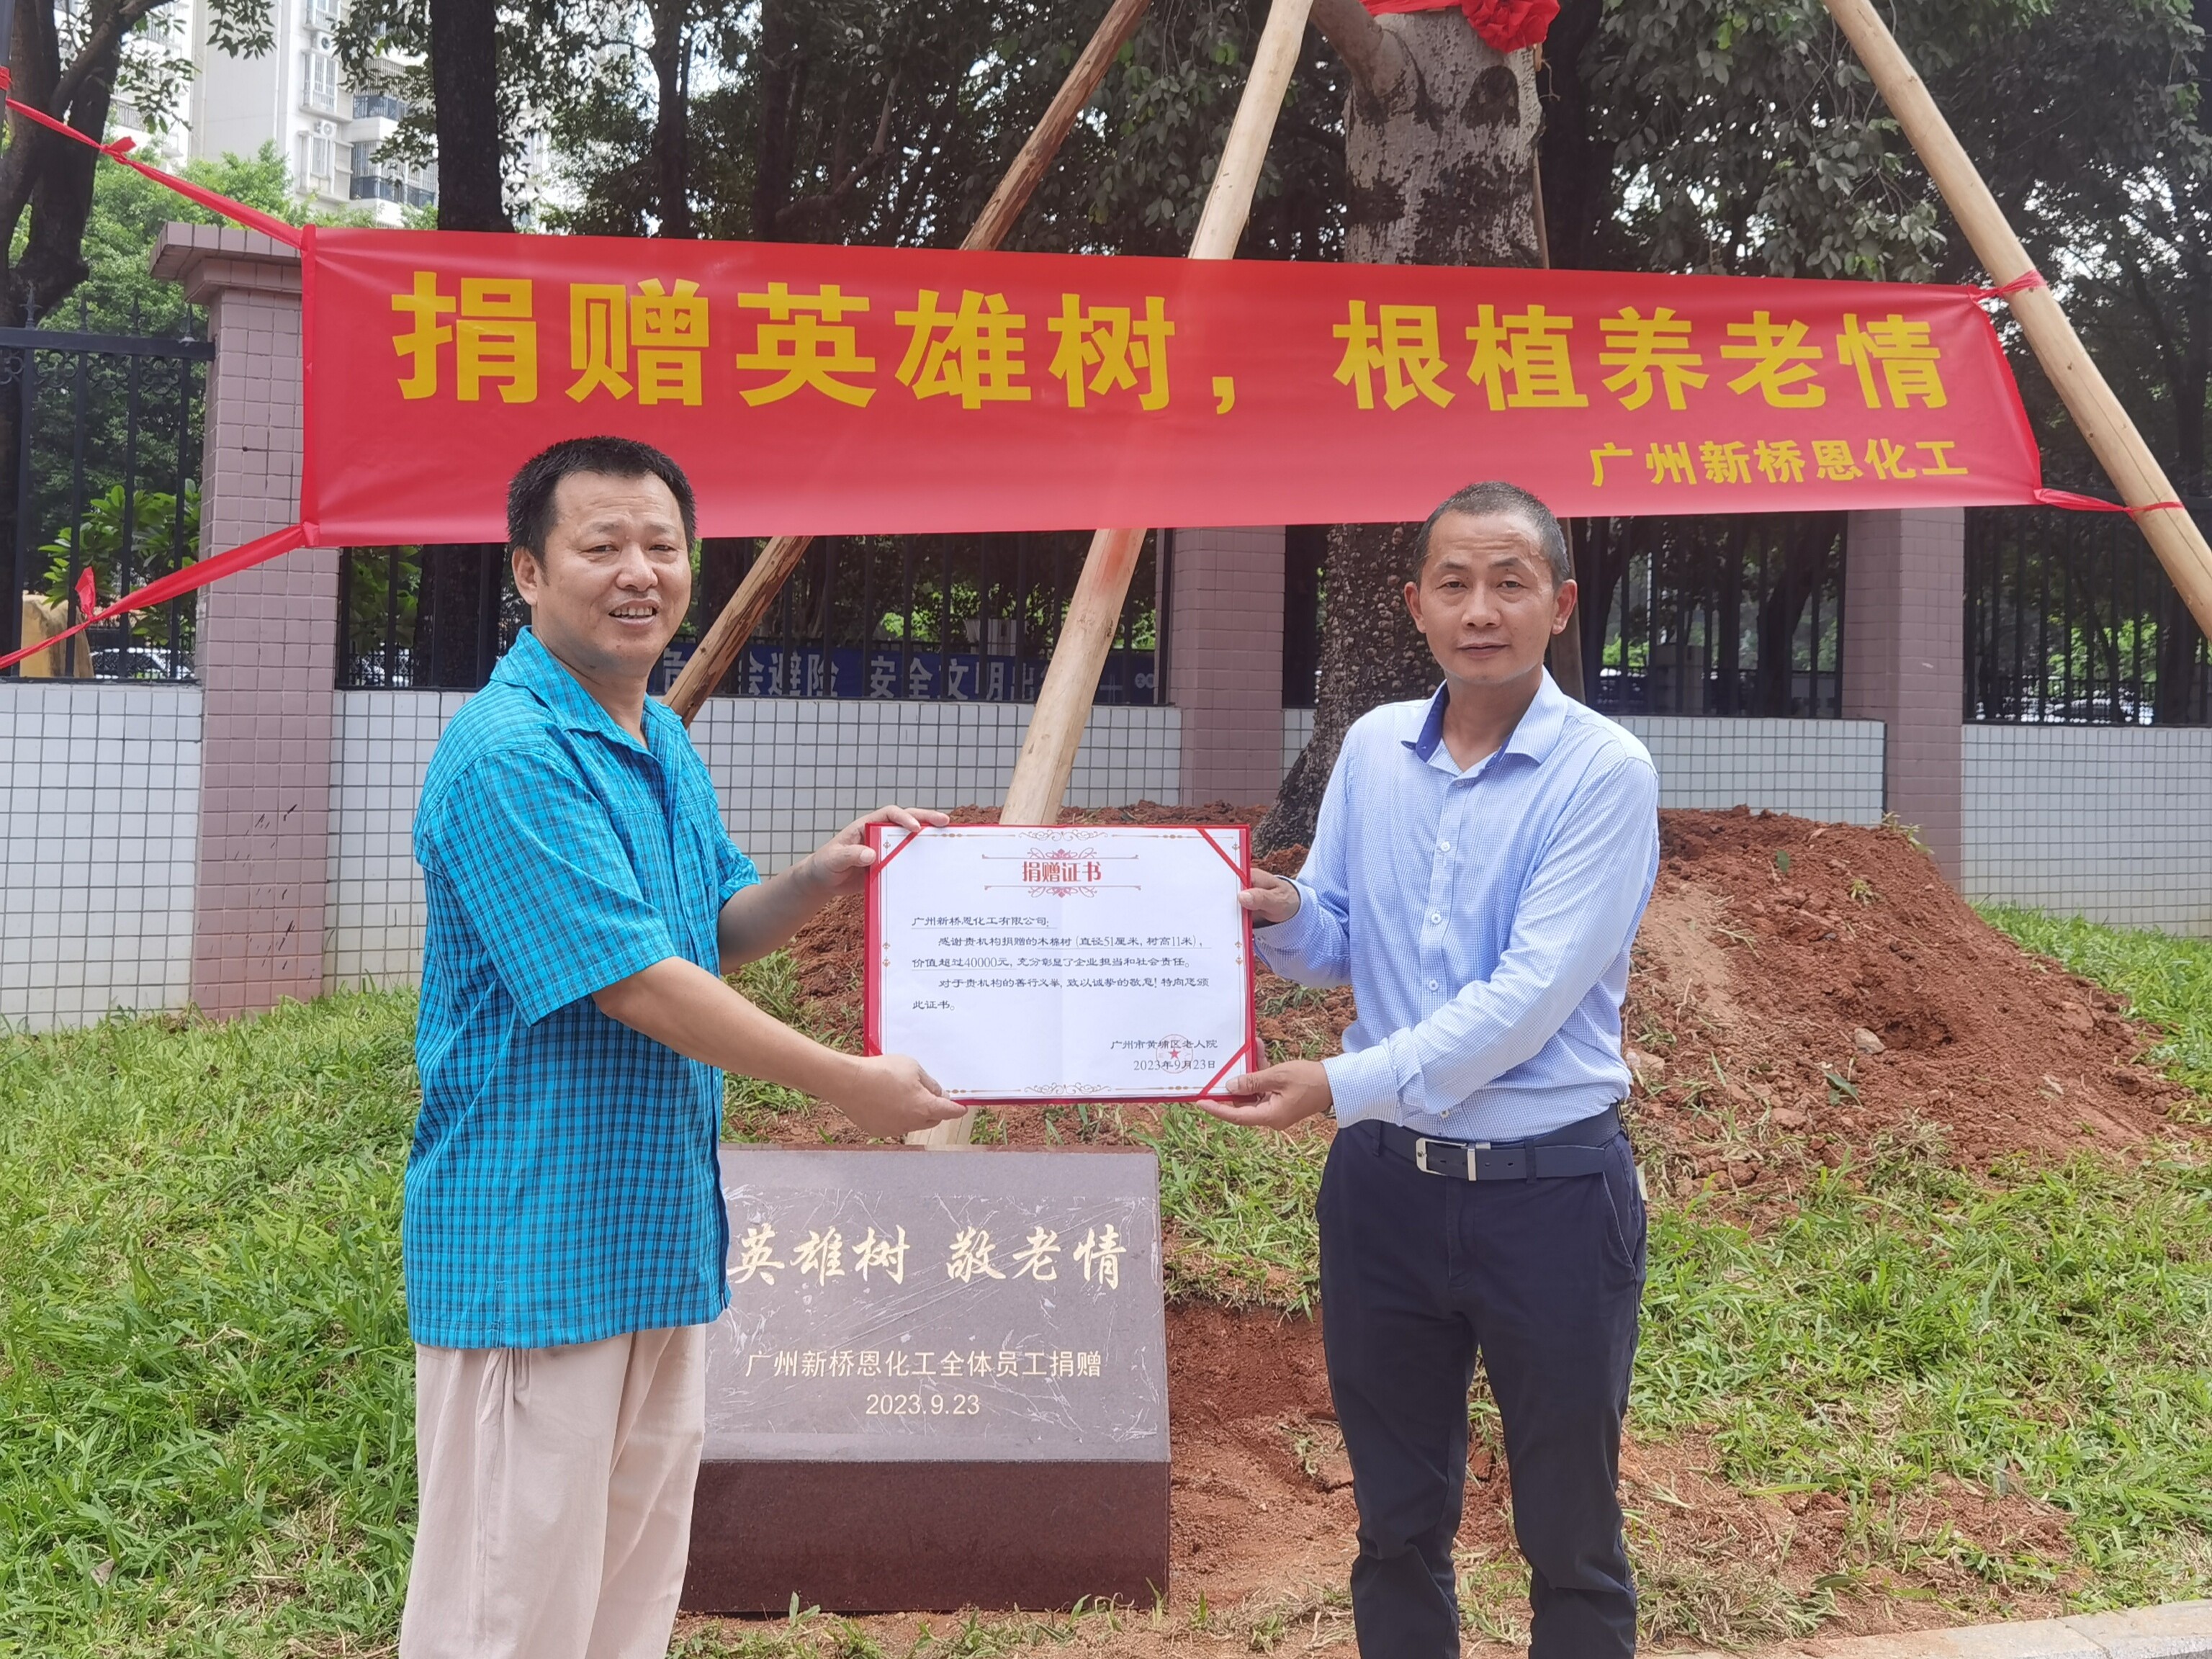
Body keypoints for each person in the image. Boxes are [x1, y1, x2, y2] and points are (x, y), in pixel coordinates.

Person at [400, 436, 962, 1659]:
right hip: (533, 1256)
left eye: (662, 545)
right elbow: (636, 983)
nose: (638, 572)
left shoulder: (655, 735)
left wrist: (821, 875)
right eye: (602, 545)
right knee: (507, 1613)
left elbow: (706, 930)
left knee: (624, 1602)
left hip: (652, 1244)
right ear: (529, 572)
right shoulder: (509, 753)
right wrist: (845, 1085)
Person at [1210, 481, 1660, 1659]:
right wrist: (1280, 910)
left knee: (1571, 1531)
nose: (1480, 611)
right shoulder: (1373, 749)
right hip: (1386, 1196)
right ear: (1415, 605)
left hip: (1550, 1195)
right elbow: (1344, 935)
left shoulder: (1604, 772)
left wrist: (1338, 1083)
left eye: (1510, 583)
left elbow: (1527, 1000)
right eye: (1454, 584)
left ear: (1561, 604)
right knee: (1396, 1525)